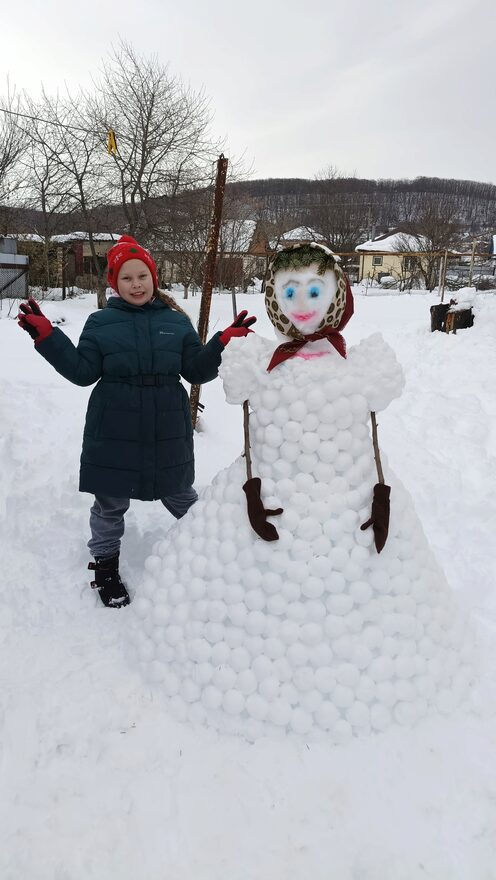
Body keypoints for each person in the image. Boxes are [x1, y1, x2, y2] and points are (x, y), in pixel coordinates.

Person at [18, 235, 256, 609]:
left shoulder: (176, 322)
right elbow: (82, 372)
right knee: (110, 503)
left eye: (142, 275)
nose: (136, 284)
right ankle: (106, 568)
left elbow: (195, 370)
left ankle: (212, 552)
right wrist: (47, 336)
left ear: (153, 277)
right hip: (114, 426)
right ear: (114, 282)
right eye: (126, 278)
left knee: (181, 495)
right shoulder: (100, 322)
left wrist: (221, 342)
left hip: (167, 426)